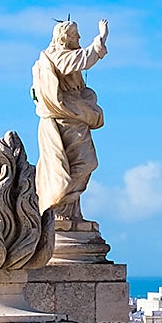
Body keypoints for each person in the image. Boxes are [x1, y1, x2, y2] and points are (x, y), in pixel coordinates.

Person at [32, 16, 110, 231]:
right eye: (76, 35)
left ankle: (71, 213)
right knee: (83, 164)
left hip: (76, 116)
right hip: (67, 119)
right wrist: (100, 40)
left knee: (75, 164)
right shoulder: (57, 56)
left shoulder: (62, 56)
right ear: (65, 38)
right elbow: (83, 59)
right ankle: (56, 209)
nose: (79, 38)